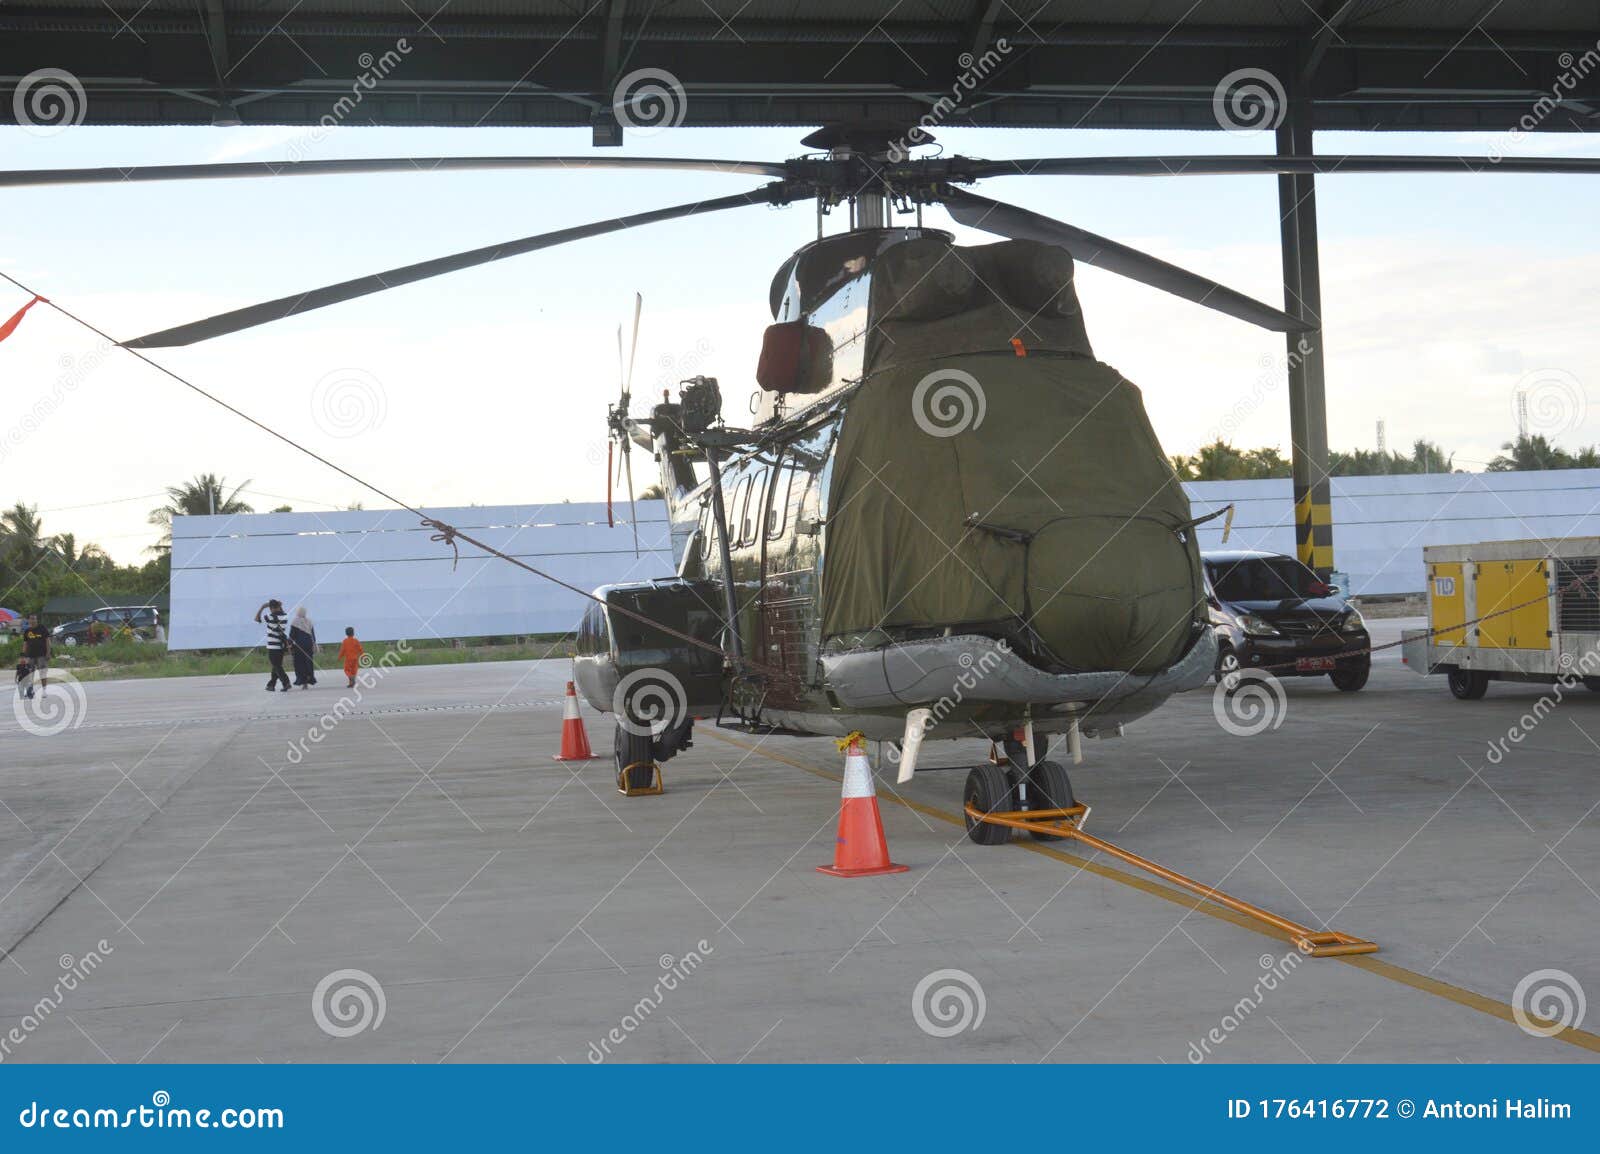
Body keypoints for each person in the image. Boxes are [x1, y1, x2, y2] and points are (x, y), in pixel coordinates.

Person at [254, 599, 291, 692]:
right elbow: (280, 611)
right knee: (276, 665)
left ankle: (286, 682)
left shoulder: (270, 617)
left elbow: (256, 619)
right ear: (279, 606)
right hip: (281, 645)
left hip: (273, 646)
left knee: (277, 666)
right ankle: (271, 685)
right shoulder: (285, 616)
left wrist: (262, 607)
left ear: (270, 608)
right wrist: (279, 605)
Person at [288, 606, 318, 689]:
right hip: (308, 644)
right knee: (308, 663)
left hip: (299, 646)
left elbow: (292, 635)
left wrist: (289, 645)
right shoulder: (309, 621)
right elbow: (313, 635)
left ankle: (303, 681)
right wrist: (314, 645)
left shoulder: (295, 621)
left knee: (299, 663)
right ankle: (308, 679)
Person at [20, 614, 48, 699]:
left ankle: (44, 691)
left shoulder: (42, 628)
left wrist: (48, 652)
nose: (33, 620)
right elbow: (25, 644)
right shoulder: (27, 631)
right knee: (29, 674)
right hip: (30, 655)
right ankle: (30, 690)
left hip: (41, 655)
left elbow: (47, 641)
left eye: (34, 619)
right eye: (31, 619)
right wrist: (23, 656)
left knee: (42, 673)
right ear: (28, 620)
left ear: (37, 619)